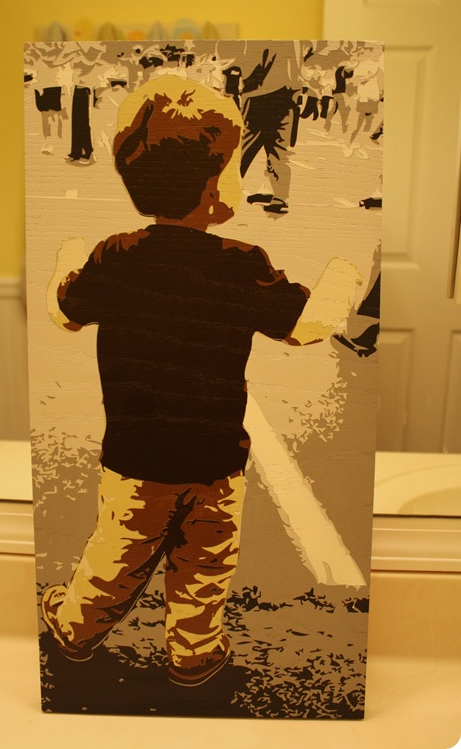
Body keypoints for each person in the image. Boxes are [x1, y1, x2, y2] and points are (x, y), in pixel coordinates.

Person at [41, 74, 359, 687]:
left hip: (135, 459)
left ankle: (77, 626)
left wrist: (67, 259)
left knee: (117, 555)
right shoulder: (241, 265)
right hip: (216, 461)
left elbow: (66, 312)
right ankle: (194, 650)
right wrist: (342, 275)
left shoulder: (116, 255)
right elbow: (306, 327)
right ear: (216, 190)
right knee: (205, 563)